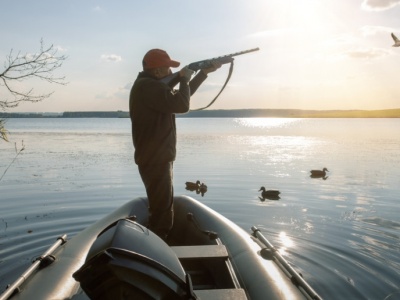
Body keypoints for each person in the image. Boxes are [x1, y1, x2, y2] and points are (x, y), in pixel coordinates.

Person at [129, 48, 220, 240]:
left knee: (162, 208)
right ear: (158, 72)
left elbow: (179, 99)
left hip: (157, 157)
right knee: (162, 214)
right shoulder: (149, 87)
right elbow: (182, 105)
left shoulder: (150, 86)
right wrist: (184, 79)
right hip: (156, 158)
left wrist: (202, 73)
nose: (171, 73)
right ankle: (157, 250)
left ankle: (156, 245)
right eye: (168, 69)